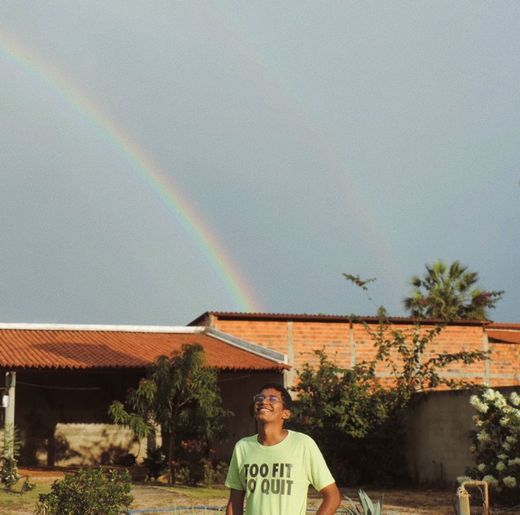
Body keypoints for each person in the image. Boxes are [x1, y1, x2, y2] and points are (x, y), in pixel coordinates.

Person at [225, 383, 341, 515]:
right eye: (260, 398)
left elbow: (333, 496)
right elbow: (235, 503)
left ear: (285, 413)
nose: (263, 402)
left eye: (272, 399)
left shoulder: (303, 444)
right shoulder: (242, 447)